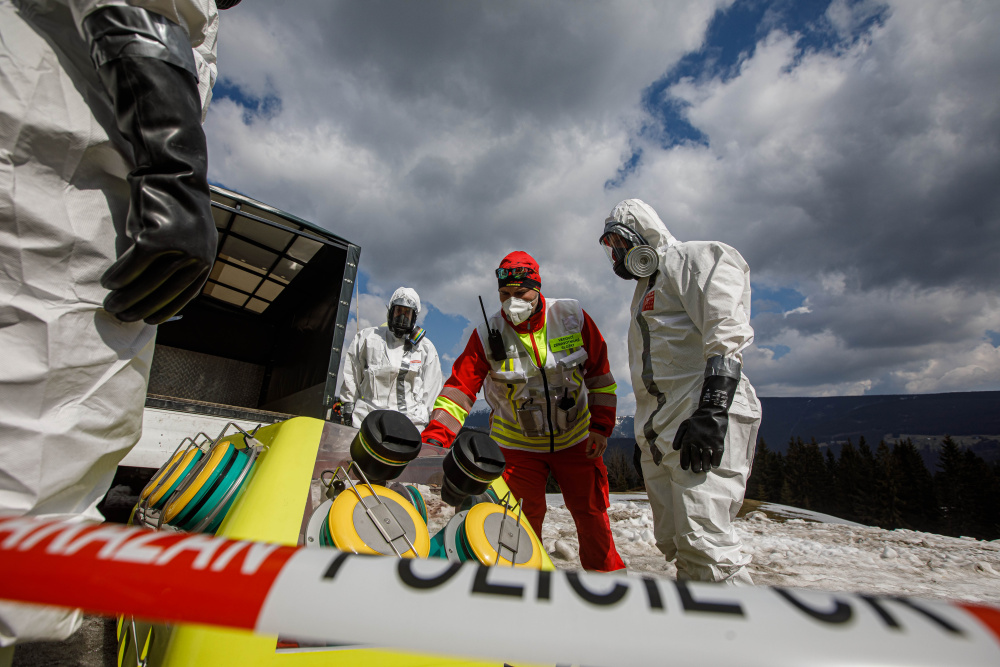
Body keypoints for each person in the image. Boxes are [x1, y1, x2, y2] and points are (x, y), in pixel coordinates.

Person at [0, 0, 234, 652]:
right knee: (21, 502)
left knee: (38, 513)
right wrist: (173, 163)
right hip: (56, 183)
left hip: (80, 201)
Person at [422, 251, 625, 572]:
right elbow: (460, 390)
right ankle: (522, 586)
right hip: (516, 448)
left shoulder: (571, 317)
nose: (511, 302)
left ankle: (608, 585)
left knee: (592, 517)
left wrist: (601, 427)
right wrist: (435, 438)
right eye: (504, 294)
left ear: (537, 288)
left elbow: (600, 376)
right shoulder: (486, 335)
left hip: (576, 441)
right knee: (518, 525)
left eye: (520, 293)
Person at [598, 198, 762, 585]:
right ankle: (698, 617)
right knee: (677, 542)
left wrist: (713, 410)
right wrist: (648, 437)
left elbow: (726, 334)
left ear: (641, 236)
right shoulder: (646, 289)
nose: (616, 256)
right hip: (667, 430)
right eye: (610, 249)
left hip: (700, 416)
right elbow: (656, 373)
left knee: (706, 543)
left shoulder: (693, 260)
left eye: (620, 244)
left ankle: (739, 618)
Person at [340, 287, 443, 429]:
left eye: (407, 313)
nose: (402, 317)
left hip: (410, 424)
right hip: (366, 420)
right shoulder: (368, 339)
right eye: (398, 311)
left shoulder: (425, 349)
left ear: (414, 316)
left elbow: (432, 390)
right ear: (390, 311)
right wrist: (348, 405)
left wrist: (430, 425)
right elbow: (352, 374)